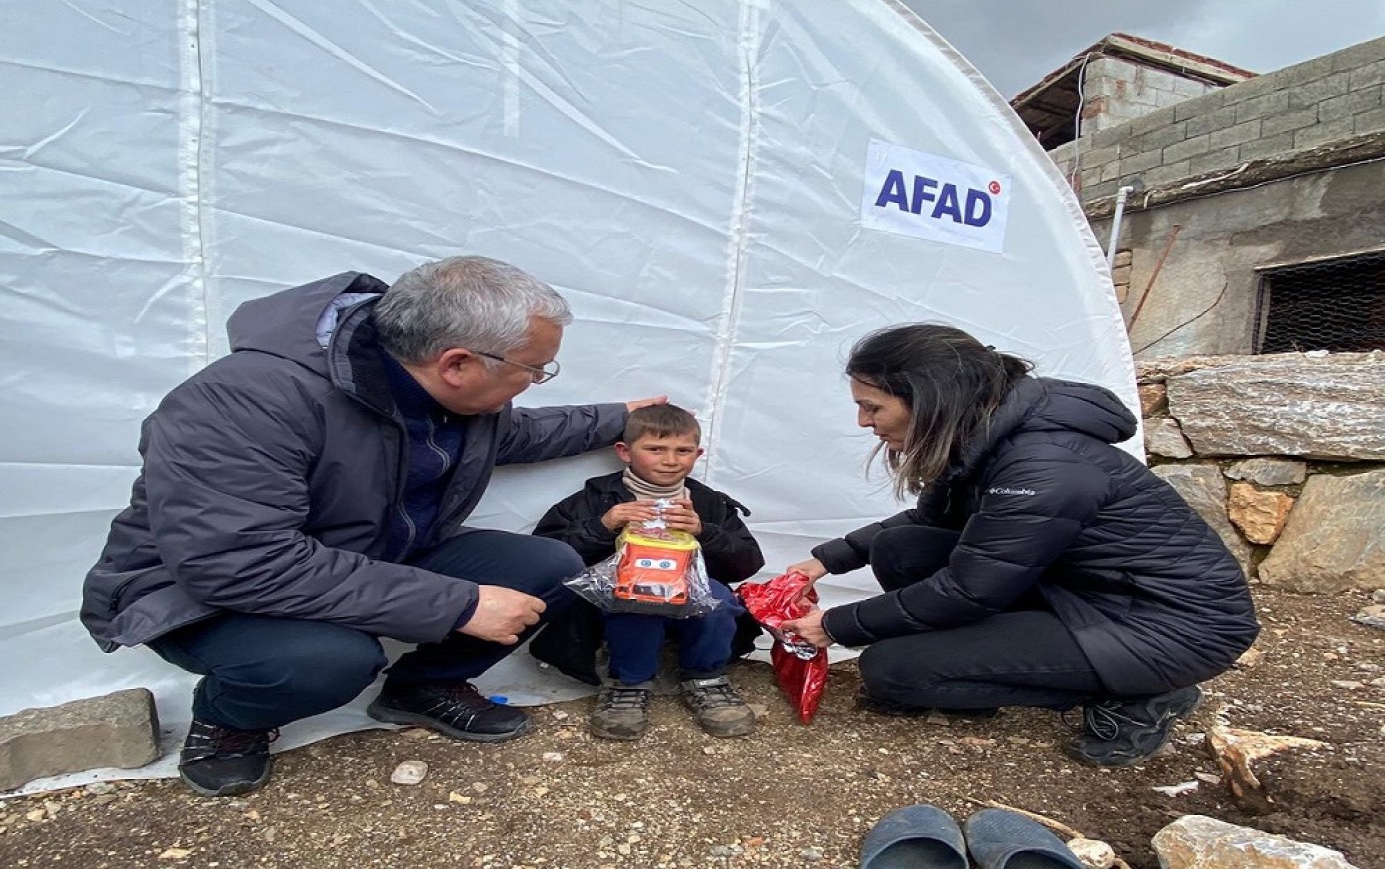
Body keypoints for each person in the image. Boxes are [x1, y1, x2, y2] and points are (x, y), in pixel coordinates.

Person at [80, 255, 664, 797]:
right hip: (205, 595)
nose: (537, 381)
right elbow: (239, 561)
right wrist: (458, 605)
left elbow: (521, 434)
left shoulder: (447, 397)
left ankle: (422, 689)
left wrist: (624, 418)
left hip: (361, 556)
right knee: (329, 659)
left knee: (549, 565)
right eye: (534, 370)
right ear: (457, 363)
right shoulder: (243, 402)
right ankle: (229, 719)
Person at [779, 323, 1259, 767]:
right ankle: (986, 671)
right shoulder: (983, 438)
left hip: (1171, 626)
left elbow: (967, 591)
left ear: (929, 398)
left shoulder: (1043, 465)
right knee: (901, 548)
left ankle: (1143, 697)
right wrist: (822, 562)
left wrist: (837, 625)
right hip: (1086, 594)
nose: (864, 422)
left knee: (893, 671)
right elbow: (929, 522)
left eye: (873, 407)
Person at [528, 404, 763, 739]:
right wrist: (603, 525)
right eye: (655, 449)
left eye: (683, 451)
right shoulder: (598, 498)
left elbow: (748, 563)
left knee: (718, 601)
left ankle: (706, 677)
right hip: (618, 597)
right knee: (635, 599)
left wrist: (705, 531)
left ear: (697, 454)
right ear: (624, 451)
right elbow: (546, 554)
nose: (670, 460)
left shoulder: (707, 502)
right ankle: (628, 682)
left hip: (690, 592)